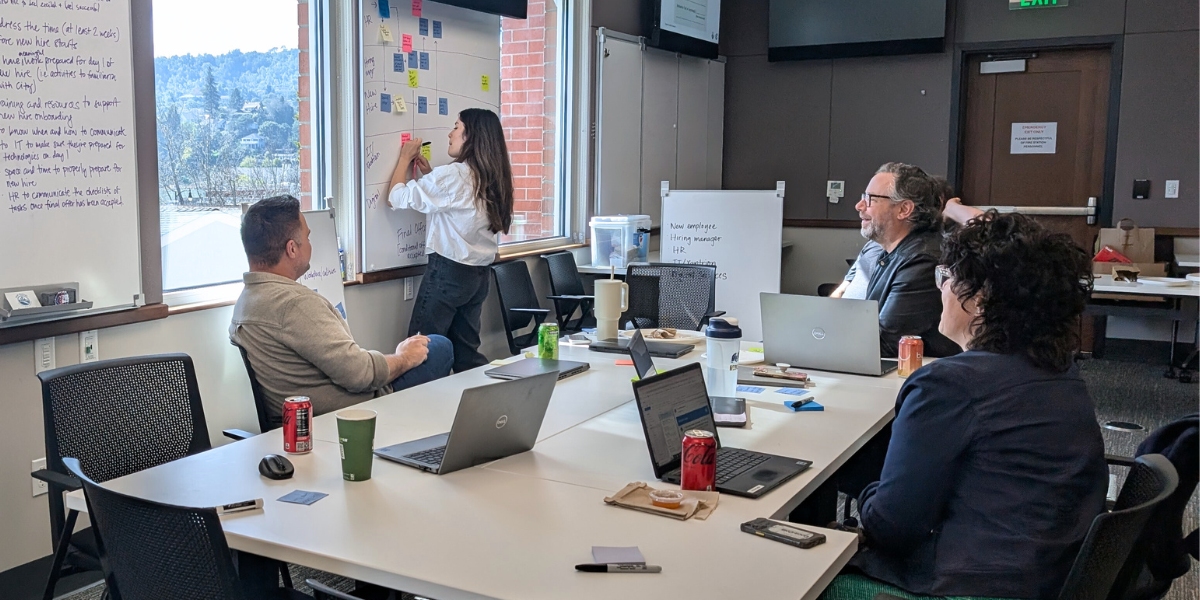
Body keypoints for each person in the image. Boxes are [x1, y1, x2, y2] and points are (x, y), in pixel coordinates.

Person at [820, 212, 1108, 600]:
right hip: (1046, 574)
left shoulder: (949, 385)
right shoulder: (1060, 372)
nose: (941, 289)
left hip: (969, 585)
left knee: (797, 575)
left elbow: (891, 528)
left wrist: (867, 488)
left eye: (946, 277)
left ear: (980, 298)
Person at [230, 195, 453, 422]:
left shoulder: (246, 302)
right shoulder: (294, 304)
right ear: (292, 249)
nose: (310, 244)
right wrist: (403, 357)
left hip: (301, 416)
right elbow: (360, 374)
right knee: (439, 347)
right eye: (307, 237)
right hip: (350, 414)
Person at [386, 108, 514, 372]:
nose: (450, 134)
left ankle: (423, 400)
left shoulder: (454, 175)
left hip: (448, 273)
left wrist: (404, 158)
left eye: (456, 127)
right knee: (465, 352)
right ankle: (480, 396)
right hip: (478, 276)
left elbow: (396, 198)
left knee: (419, 351)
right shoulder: (491, 176)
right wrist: (430, 176)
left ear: (471, 136)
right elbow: (460, 208)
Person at [851, 163, 958, 358]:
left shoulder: (922, 261)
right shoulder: (893, 252)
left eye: (870, 199)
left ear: (904, 209)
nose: (859, 206)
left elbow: (884, 342)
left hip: (918, 372)